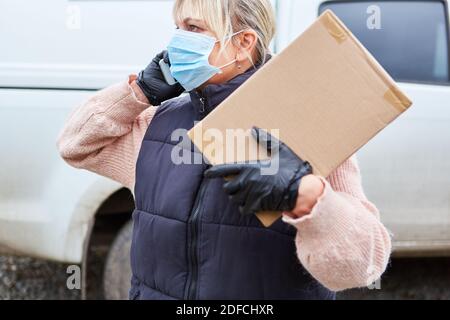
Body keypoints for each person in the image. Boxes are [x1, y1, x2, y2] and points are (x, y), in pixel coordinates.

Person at [57, 0, 391, 300]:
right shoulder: (156, 122)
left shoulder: (308, 125)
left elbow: (362, 267)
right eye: (177, 28)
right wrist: (140, 91)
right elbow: (74, 144)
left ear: (244, 44)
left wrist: (308, 196)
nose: (176, 42)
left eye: (193, 29)